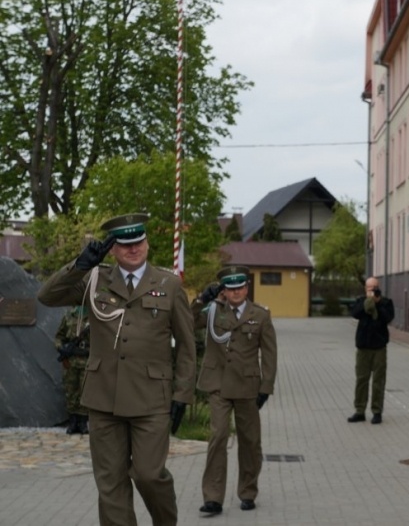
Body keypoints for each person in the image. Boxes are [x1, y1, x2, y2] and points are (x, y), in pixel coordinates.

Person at [37, 213, 195, 526]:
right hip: (103, 398)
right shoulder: (95, 280)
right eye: (125, 245)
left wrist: (183, 394)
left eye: (138, 242)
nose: (133, 249)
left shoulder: (169, 284)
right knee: (110, 484)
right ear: (113, 250)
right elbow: (46, 296)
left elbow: (187, 346)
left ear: (147, 243)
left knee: (149, 475)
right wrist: (80, 264)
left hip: (151, 399)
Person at [193, 266, 278, 515]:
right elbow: (187, 321)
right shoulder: (212, 312)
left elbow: (270, 354)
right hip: (218, 384)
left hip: (247, 386)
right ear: (224, 291)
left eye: (240, 287)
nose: (236, 292)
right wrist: (201, 299)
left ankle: (248, 491)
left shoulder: (260, 315)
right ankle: (213, 497)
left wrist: (266, 387)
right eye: (231, 288)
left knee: (250, 441)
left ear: (246, 287)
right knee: (218, 437)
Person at [349, 277, 395, 424]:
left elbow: (387, 318)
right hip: (363, 346)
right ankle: (359, 410)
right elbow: (355, 313)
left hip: (379, 346)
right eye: (369, 288)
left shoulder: (386, 302)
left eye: (374, 287)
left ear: (378, 287)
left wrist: (378, 303)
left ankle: (377, 411)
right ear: (365, 288)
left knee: (378, 381)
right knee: (362, 379)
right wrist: (367, 303)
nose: (372, 290)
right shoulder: (360, 301)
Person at [55, 305, 91, 435]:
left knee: (85, 390)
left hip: (87, 359)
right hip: (70, 360)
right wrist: (61, 348)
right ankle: (72, 422)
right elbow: (59, 337)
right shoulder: (68, 316)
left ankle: (82, 422)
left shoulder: (93, 317)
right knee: (70, 391)